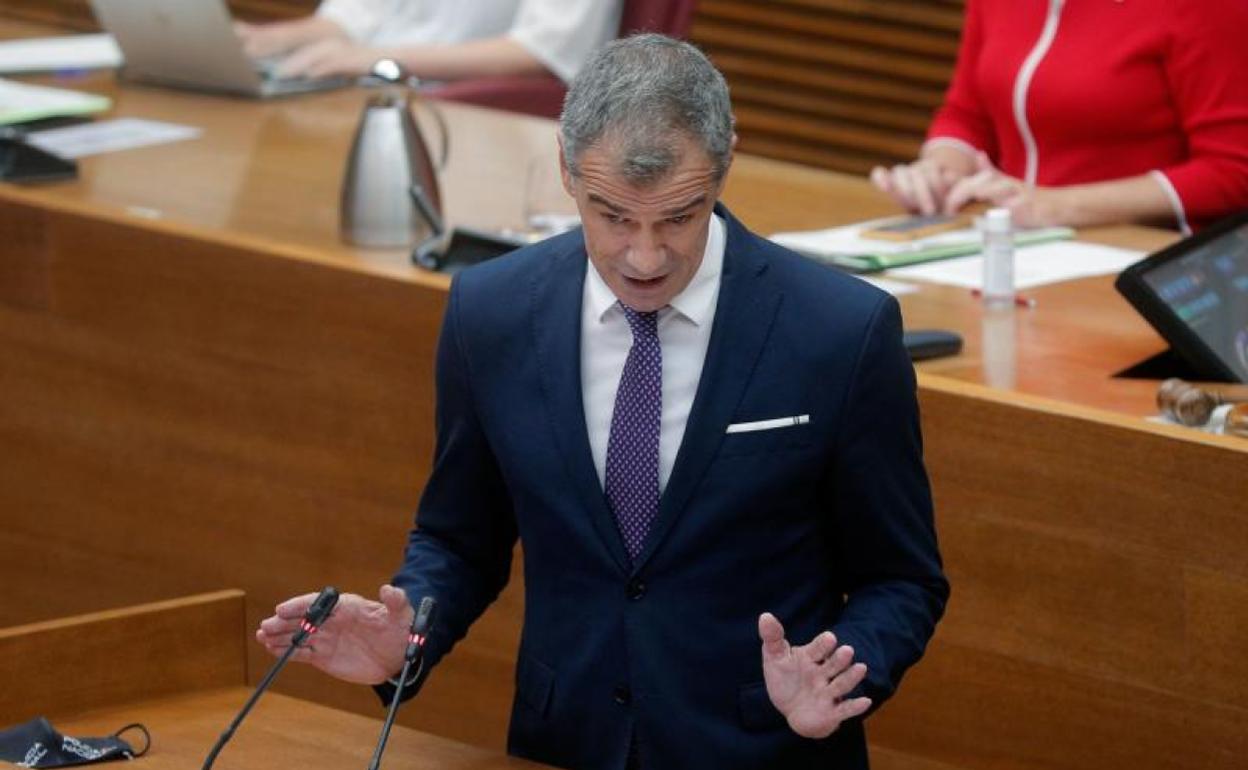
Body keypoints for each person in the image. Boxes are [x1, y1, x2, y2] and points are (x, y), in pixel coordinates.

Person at [257, 34, 948, 770]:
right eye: (613, 216)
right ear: (565, 167)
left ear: (724, 164)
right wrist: (408, 639)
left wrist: (847, 671)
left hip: (764, 751)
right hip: (566, 744)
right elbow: (461, 539)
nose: (644, 258)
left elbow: (901, 578)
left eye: (678, 217)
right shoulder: (491, 312)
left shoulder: (840, 330)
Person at [871, 0, 1248, 234]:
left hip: (1138, 260)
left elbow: (1234, 169)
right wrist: (940, 170)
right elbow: (968, 113)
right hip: (1007, 244)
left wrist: (1056, 205)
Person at [235, 0, 621, 83]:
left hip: (463, 115)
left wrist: (380, 59)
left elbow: (540, 51)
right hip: (353, 85)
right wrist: (273, 39)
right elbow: (357, 16)